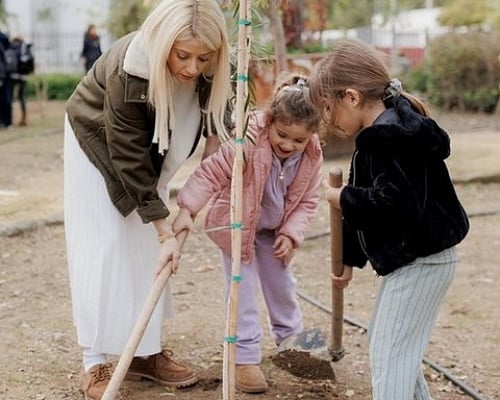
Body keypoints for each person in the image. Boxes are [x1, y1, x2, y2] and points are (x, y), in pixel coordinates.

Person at [63, 0, 232, 399]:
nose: (192, 67)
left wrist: (188, 205)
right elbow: (127, 153)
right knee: (104, 244)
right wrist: (163, 229)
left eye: (203, 58)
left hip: (151, 150)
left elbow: (216, 129)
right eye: (183, 55)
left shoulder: (211, 69)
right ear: (163, 44)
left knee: (144, 249)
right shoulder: (130, 70)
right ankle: (94, 359)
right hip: (97, 143)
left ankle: (143, 351)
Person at [307, 38, 469, 400]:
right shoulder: (393, 129)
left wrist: (341, 197)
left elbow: (392, 204)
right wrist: (349, 258)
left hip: (421, 263)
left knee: (389, 356)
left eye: (327, 108)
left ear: (351, 97)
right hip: (423, 261)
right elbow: (380, 199)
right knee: (395, 351)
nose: (328, 121)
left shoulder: (386, 138)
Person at [172, 74, 324, 393]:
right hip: (237, 228)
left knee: (283, 287)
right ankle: (244, 357)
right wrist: (188, 208)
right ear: (269, 121)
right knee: (244, 293)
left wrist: (292, 233)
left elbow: (308, 200)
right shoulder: (247, 142)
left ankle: (294, 345)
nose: (287, 145)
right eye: (282, 135)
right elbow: (210, 173)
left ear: (311, 136)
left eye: (298, 141)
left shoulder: (311, 155)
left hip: (274, 232)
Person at [9, 35, 31, 126]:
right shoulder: (24, 47)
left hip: (12, 75)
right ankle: (24, 118)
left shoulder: (10, 46)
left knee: (10, 98)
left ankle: (10, 119)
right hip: (23, 76)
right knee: (21, 96)